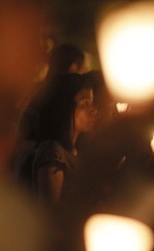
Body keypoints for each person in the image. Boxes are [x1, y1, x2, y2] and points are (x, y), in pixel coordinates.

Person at [17, 73, 97, 204]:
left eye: (92, 102)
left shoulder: (75, 151)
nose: (93, 110)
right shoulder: (53, 154)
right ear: (65, 108)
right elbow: (50, 211)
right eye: (84, 103)